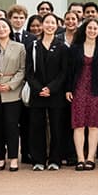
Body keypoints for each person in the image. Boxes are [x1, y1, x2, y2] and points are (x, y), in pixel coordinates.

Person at [0, 15, 28, 171]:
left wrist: (11, 85)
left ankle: (14, 158)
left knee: (11, 126)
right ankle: (0, 157)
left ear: (9, 29)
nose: (1, 30)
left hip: (12, 93)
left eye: (4, 27)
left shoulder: (19, 47)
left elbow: (22, 69)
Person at [64, 17, 98, 171]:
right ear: (84, 29)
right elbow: (69, 71)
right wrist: (68, 89)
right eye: (89, 28)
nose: (92, 31)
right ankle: (80, 159)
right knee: (78, 125)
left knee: (94, 125)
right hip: (78, 90)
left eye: (95, 28)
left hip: (95, 90)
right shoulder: (75, 48)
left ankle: (90, 158)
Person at [27, 15, 68, 170]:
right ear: (42, 25)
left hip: (55, 93)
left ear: (57, 25)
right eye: (47, 23)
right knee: (37, 127)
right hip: (37, 93)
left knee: (57, 127)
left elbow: (64, 72)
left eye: (53, 23)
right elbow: (29, 72)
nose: (50, 25)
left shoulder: (62, 47)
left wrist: (51, 88)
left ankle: (55, 160)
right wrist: (39, 89)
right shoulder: (33, 46)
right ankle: (38, 160)